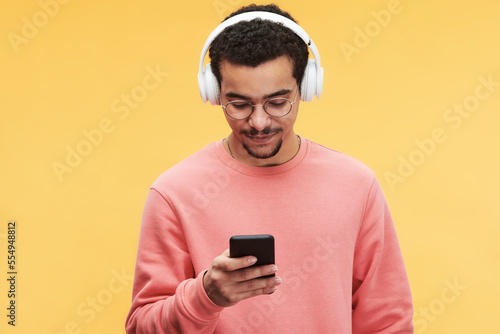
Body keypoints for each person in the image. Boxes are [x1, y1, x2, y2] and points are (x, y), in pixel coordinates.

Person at [125, 4, 414, 333]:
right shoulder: (174, 193)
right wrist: (204, 297)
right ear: (214, 93)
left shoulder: (355, 185)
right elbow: (141, 328)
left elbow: (388, 321)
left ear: (306, 88)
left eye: (278, 102)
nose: (259, 122)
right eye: (239, 104)